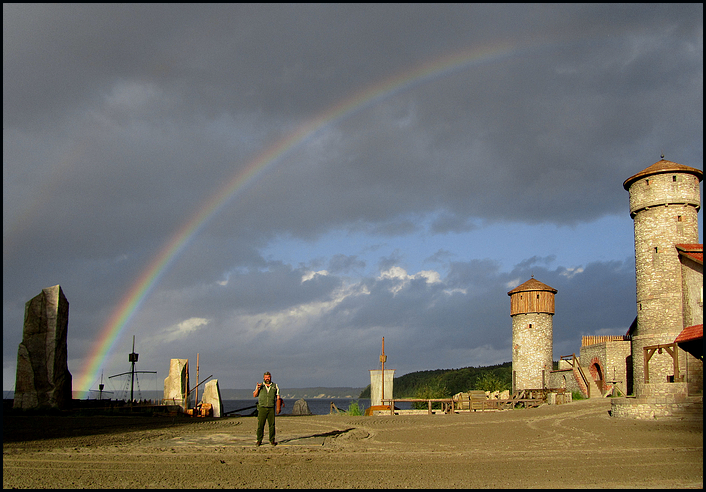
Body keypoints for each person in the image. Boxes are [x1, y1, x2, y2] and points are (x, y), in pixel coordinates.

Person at [253, 371, 280, 446]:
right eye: (266, 377)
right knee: (260, 425)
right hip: (262, 407)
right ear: (263, 378)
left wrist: (278, 407)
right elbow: (254, 395)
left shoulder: (275, 386)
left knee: (272, 425)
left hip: (271, 407)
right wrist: (257, 388)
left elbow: (278, 397)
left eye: (268, 377)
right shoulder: (260, 385)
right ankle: (259, 440)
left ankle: (272, 440)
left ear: (270, 377)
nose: (267, 379)